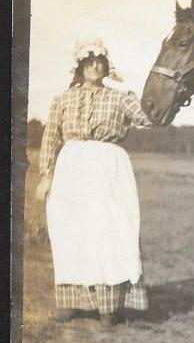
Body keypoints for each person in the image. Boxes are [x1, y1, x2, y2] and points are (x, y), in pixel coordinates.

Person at [35, 39, 161, 327]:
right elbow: (51, 138)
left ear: (106, 66)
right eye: (88, 62)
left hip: (108, 168)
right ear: (79, 67)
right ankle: (71, 304)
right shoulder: (62, 100)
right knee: (71, 233)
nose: (94, 66)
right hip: (71, 169)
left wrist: (163, 93)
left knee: (110, 232)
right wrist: (46, 175)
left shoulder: (120, 97)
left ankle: (108, 309)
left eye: (99, 62)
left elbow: (149, 118)